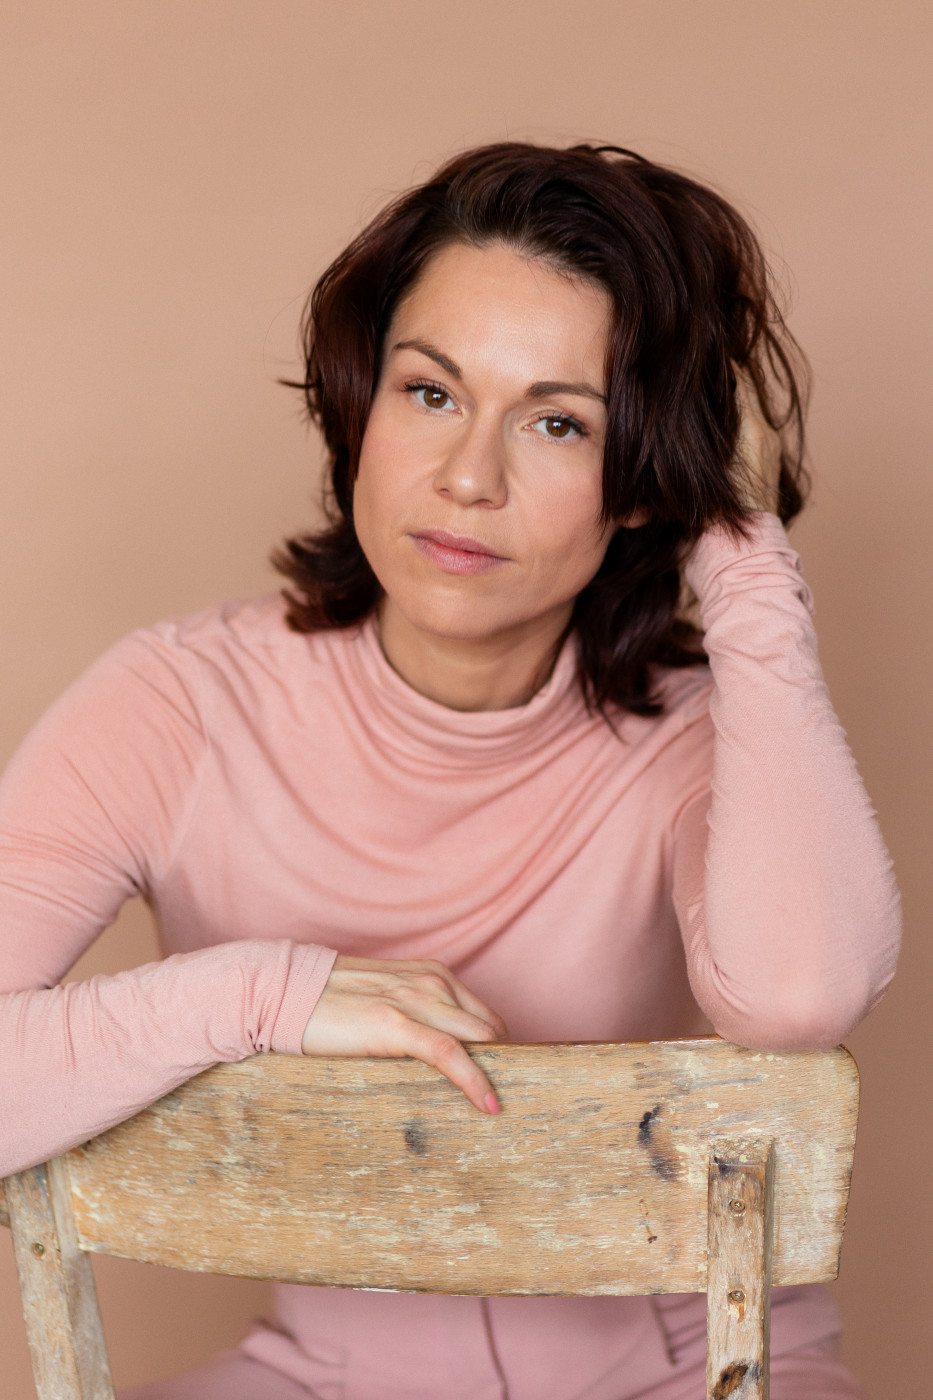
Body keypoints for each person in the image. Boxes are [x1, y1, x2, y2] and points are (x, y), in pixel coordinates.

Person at [0, 142, 901, 1400]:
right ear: (359, 407)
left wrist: (748, 570)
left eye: (558, 421)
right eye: (430, 392)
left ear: (643, 485)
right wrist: (264, 994)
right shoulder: (180, 704)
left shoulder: (704, 735)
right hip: (322, 1378)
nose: (469, 478)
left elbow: (800, 996)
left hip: (696, 1368)